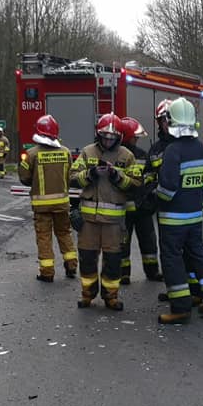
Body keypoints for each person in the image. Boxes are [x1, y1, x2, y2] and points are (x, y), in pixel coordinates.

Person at [155, 97, 203, 324]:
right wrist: (199, 196)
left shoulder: (173, 150)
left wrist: (158, 199)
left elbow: (168, 187)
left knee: (173, 260)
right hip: (194, 217)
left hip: (172, 220)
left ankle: (181, 308)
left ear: (171, 121)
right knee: (199, 255)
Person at [70, 113, 140, 310]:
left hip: (114, 223)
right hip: (89, 220)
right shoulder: (87, 152)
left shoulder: (126, 156)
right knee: (87, 259)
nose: (108, 140)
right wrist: (91, 174)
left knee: (113, 262)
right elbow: (72, 178)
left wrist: (116, 176)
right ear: (98, 134)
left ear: (118, 137)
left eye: (112, 137)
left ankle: (111, 297)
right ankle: (87, 295)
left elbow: (135, 185)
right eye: (104, 136)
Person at [18, 114, 78, 282]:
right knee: (65, 233)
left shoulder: (31, 154)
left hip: (41, 206)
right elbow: (71, 175)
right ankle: (71, 265)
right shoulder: (66, 152)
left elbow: (24, 178)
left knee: (44, 238)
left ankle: (47, 272)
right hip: (63, 204)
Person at [118, 116, 162, 284]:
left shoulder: (143, 155)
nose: (137, 139)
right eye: (135, 136)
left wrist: (149, 197)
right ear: (127, 136)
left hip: (143, 207)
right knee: (123, 242)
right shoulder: (118, 155)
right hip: (124, 208)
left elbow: (150, 177)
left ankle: (152, 271)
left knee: (148, 242)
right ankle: (124, 274)